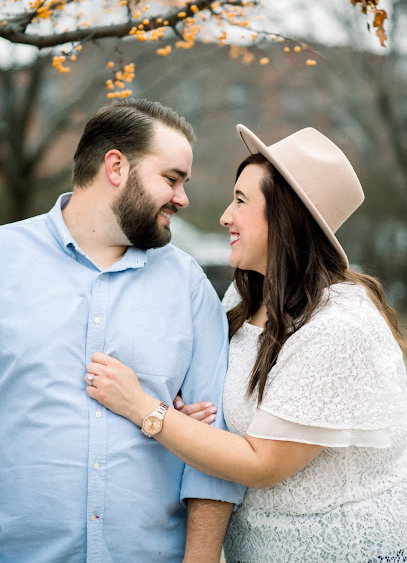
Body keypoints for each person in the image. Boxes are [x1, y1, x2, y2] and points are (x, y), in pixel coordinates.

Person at [85, 124, 407, 563]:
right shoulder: (246, 296)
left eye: (242, 202)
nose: (226, 216)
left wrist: (143, 407)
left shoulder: (340, 326)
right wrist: (194, 418)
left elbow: (262, 463)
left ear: (286, 217)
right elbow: (238, 411)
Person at [0, 99, 244, 563]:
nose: (183, 198)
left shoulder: (190, 286)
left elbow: (216, 452)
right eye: (171, 179)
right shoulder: (4, 260)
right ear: (116, 166)